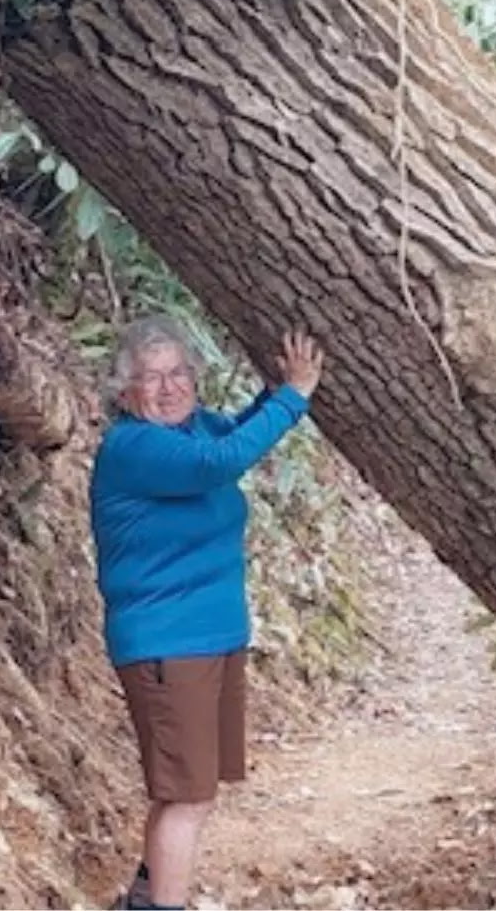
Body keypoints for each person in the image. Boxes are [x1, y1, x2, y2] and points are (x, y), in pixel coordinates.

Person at [90, 316, 325, 911]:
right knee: (188, 797)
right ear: (126, 392)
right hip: (169, 644)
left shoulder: (196, 429)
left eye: (178, 373)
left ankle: (143, 901)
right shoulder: (135, 447)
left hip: (211, 637)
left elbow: (235, 435)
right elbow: (219, 464)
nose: (168, 388)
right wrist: (294, 397)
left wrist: (275, 395)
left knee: (186, 791)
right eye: (151, 378)